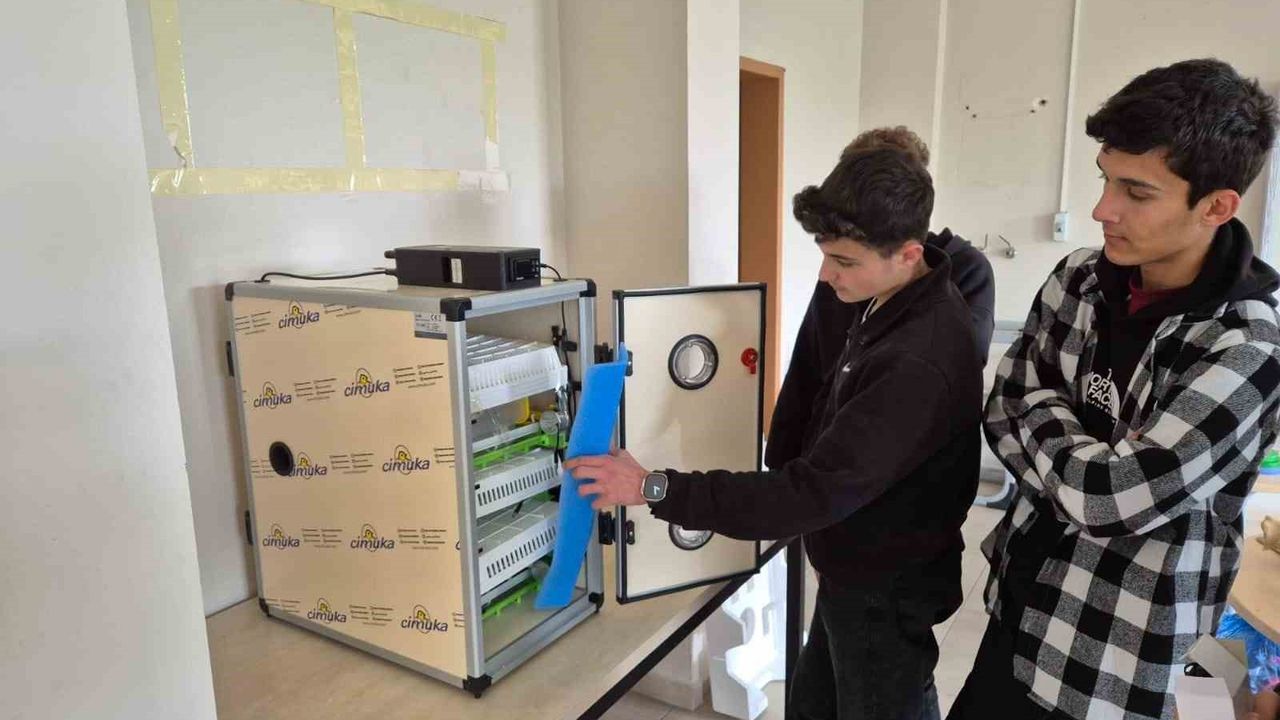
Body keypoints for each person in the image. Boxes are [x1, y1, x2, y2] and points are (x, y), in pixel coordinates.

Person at [568, 141, 983, 720]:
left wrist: (650, 487)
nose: (826, 275)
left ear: (908, 253)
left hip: (886, 588)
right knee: (813, 705)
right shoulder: (889, 298)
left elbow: (810, 493)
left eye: (844, 262)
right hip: (854, 564)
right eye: (825, 255)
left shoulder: (917, 358)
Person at [948, 58, 1280, 720]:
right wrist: (1085, 466)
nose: (1103, 209)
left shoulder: (1247, 348)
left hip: (1115, 658)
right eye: (1106, 178)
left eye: (1137, 192)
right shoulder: (1079, 279)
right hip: (1021, 602)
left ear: (1216, 206)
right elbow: (1001, 405)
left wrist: (1043, 411)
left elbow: (1105, 500)